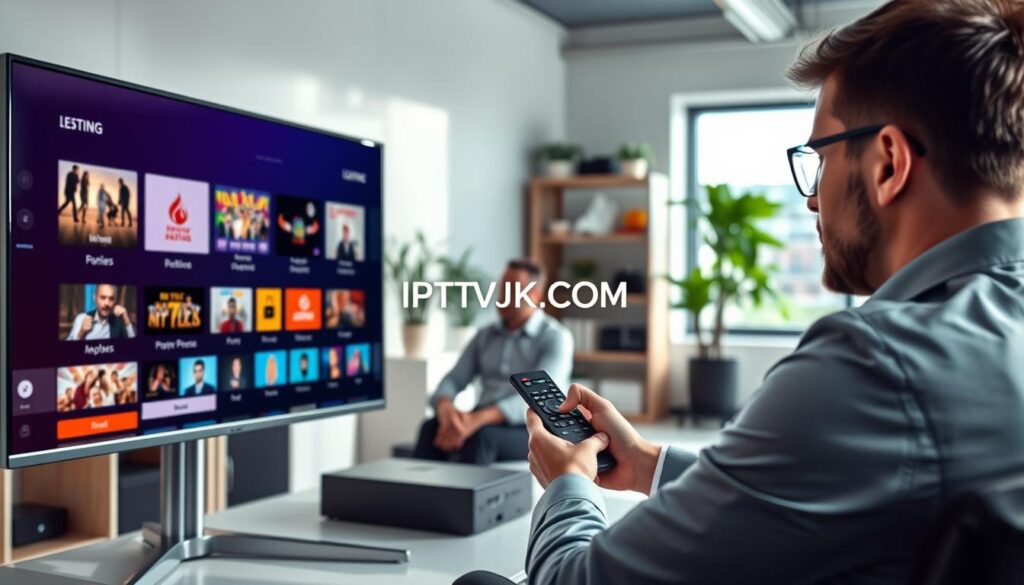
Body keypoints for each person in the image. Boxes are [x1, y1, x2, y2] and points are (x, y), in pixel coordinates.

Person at [522, 2, 1024, 583]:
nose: (811, 199)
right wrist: (648, 466)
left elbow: (572, 580)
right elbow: (845, 487)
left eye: (820, 160)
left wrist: (568, 484)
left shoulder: (873, 365)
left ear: (888, 163)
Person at [414, 258, 573, 465]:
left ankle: (463, 498)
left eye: (512, 289)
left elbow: (540, 400)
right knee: (430, 428)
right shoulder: (485, 335)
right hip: (481, 419)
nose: (502, 297)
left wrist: (476, 420)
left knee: (482, 438)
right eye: (502, 288)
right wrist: (446, 411)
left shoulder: (556, 337)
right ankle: (417, 497)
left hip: (530, 428)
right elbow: (454, 379)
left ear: (534, 295)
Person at [68, 284, 136, 340]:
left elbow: (134, 348)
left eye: (111, 298)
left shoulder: (118, 321)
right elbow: (67, 351)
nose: (107, 303)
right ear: (94, 298)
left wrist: (127, 321)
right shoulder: (81, 319)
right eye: (103, 297)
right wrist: (81, 333)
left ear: (115, 301)